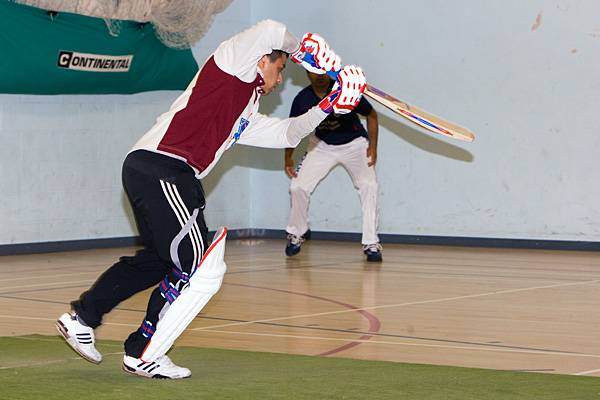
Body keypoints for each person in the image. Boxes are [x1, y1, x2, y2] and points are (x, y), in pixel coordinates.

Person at [55, 20, 367, 379]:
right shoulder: (232, 63)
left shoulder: (245, 111)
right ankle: (144, 352)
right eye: (280, 69)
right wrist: (305, 52)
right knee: (198, 265)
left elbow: (287, 133)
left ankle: (82, 318)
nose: (280, 80)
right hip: (165, 168)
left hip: (153, 170)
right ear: (263, 60)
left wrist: (330, 105)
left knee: (159, 261)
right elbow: (269, 28)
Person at [284, 71, 382, 262]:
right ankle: (298, 232)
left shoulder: (345, 91)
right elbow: (292, 130)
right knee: (298, 187)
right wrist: (288, 157)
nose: (319, 75)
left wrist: (373, 146)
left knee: (369, 185)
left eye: (323, 71)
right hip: (321, 145)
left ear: (329, 72)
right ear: (306, 72)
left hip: (354, 144)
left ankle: (371, 243)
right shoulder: (302, 99)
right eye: (314, 71)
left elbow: (372, 114)